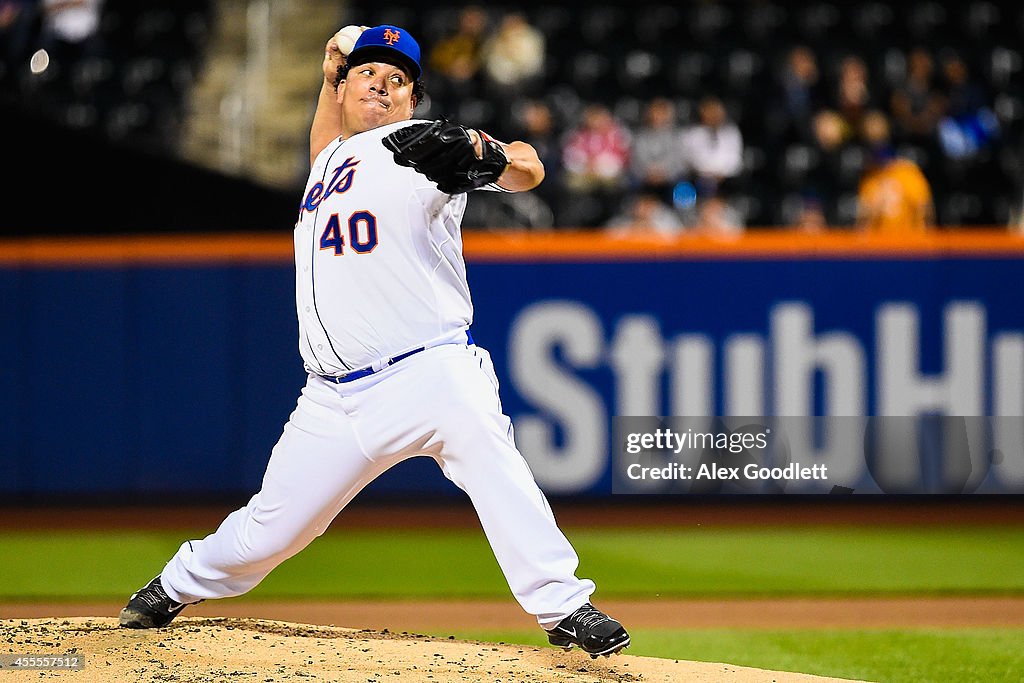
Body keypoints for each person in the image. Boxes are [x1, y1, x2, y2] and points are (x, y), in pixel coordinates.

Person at [117, 24, 630, 659]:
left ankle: (564, 607)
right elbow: (324, 141)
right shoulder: (332, 157)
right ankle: (174, 585)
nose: (381, 86)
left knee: (492, 458)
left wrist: (489, 154)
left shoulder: (421, 146)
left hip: (431, 372)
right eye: (368, 75)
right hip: (332, 399)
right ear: (346, 87)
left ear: (414, 99)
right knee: (270, 531)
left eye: (397, 80)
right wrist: (331, 76)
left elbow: (530, 167)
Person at [856, 110, 934, 233]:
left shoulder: (908, 172)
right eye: (871, 141)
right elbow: (862, 227)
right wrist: (872, 213)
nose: (876, 146)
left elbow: (925, 214)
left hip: (910, 247)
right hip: (878, 248)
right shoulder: (869, 179)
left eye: (880, 139)